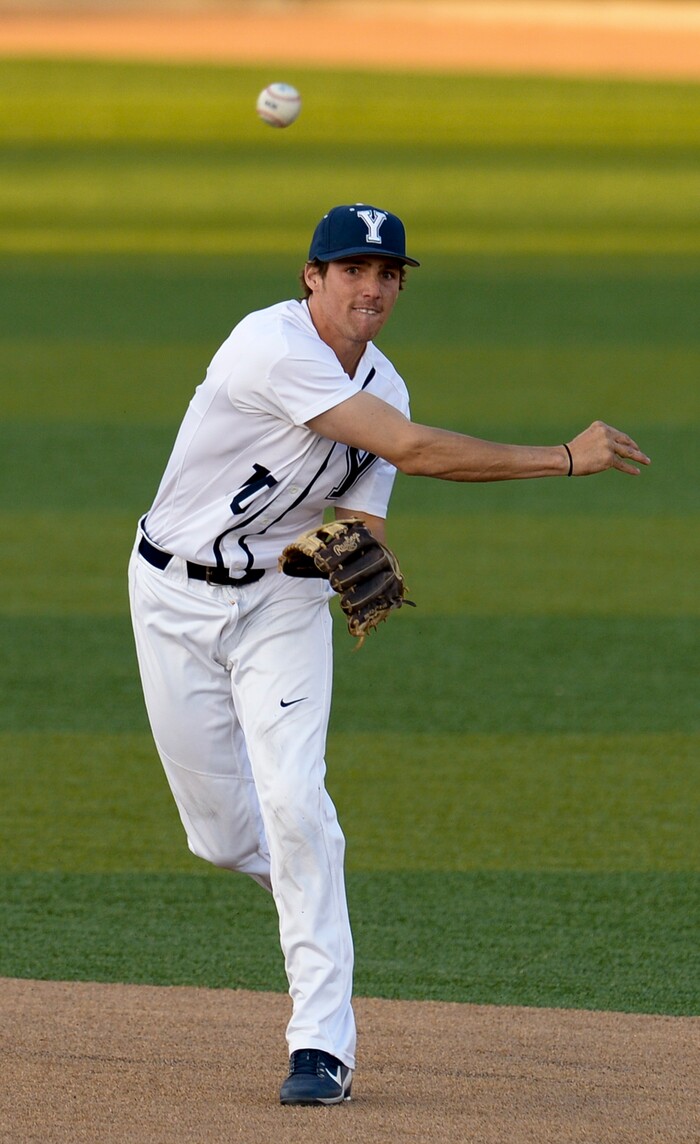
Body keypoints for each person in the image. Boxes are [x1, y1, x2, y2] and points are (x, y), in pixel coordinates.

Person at [128, 203, 650, 1106]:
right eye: (353, 271)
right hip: (170, 595)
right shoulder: (269, 345)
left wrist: (346, 550)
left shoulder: (386, 382)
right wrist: (565, 457)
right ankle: (307, 870)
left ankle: (320, 1046)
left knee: (298, 805)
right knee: (220, 838)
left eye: (388, 275)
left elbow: (358, 521)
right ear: (312, 276)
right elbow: (406, 448)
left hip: (280, 606)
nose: (371, 288)